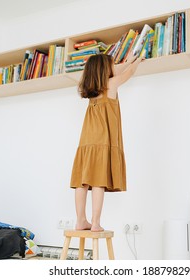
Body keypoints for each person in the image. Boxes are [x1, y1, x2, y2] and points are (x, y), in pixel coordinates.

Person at [70, 53, 144, 232]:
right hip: (102, 138)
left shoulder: (92, 89)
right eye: (112, 65)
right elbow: (129, 73)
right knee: (98, 181)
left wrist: (126, 62)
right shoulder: (111, 84)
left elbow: (116, 69)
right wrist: (136, 62)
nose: (115, 67)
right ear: (106, 70)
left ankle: (81, 220)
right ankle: (95, 222)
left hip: (87, 139)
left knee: (82, 181)